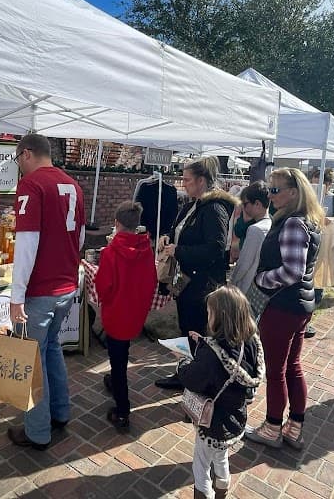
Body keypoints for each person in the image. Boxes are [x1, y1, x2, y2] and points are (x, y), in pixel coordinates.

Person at [7, 134, 86, 450]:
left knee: (31, 360)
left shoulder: (32, 185)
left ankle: (37, 431)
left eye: (17, 160)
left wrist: (16, 296)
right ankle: (60, 411)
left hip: (40, 291)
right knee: (51, 348)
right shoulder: (74, 186)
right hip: (66, 285)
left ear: (26, 154)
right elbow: (79, 239)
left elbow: (26, 244)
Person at [245, 168, 322, 449]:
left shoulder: (292, 223)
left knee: (277, 370)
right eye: (270, 190)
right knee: (293, 366)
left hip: (283, 306)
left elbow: (292, 271)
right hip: (299, 305)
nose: (271, 195)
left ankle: (272, 427)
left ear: (294, 192)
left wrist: (260, 278)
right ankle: (294, 427)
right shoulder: (307, 222)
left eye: (275, 190)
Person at [156, 156, 237, 390]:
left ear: (202, 180)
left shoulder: (214, 208)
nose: (183, 184)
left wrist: (178, 250)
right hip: (187, 282)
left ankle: (197, 380)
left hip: (202, 285)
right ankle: (186, 373)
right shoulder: (194, 204)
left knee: (198, 333)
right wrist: (168, 238)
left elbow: (214, 248)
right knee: (186, 328)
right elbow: (180, 231)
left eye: (187, 180)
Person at [177, 285, 263, 499]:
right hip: (235, 416)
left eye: (209, 312)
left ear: (220, 316)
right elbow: (226, 362)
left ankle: (204, 494)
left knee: (201, 465)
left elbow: (194, 378)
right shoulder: (250, 341)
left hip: (212, 421)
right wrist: (204, 343)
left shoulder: (213, 353)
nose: (207, 317)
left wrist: (182, 364)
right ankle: (222, 492)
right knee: (222, 458)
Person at [95, 201, 157, 431]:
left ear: (117, 223)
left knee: (118, 360)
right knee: (121, 354)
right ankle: (114, 381)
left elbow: (104, 286)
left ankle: (122, 410)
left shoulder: (111, 252)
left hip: (116, 312)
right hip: (135, 311)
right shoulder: (146, 248)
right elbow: (151, 281)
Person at [307, 168, 334, 338]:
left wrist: (333, 220)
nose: (316, 185)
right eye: (314, 180)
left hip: (323, 247)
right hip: (308, 244)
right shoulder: (308, 197)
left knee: (318, 281)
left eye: (320, 182)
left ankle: (309, 316)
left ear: (329, 184)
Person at [229, 182, 272, 298]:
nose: (243, 207)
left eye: (245, 203)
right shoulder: (272, 225)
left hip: (247, 290)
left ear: (257, 204)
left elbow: (244, 264)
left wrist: (231, 284)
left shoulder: (255, 230)